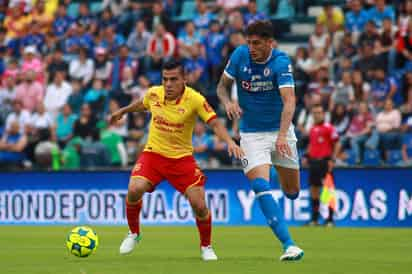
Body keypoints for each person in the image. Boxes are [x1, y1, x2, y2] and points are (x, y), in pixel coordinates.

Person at [109, 60, 243, 261]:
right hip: (153, 155)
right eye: (165, 79)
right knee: (134, 189)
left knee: (199, 204)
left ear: (184, 80)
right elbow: (142, 104)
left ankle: (206, 246)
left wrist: (230, 142)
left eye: (173, 79)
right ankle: (134, 233)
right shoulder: (155, 93)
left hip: (181, 159)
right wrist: (123, 111)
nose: (168, 84)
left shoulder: (195, 99)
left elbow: (214, 123)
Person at [216, 20, 304, 261]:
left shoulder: (281, 62)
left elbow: (289, 101)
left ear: (269, 43)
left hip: (280, 132)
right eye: (249, 43)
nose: (251, 48)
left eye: (256, 43)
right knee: (260, 186)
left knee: (293, 192)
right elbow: (221, 87)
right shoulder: (240, 56)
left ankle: (272, 169)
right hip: (251, 134)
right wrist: (227, 102)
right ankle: (289, 245)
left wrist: (282, 136)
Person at [306, 104, 339, 226]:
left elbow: (337, 143)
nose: (317, 115)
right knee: (313, 190)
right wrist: (307, 156)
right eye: (315, 113)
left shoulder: (329, 128)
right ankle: (314, 219)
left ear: (323, 114)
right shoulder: (312, 129)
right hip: (314, 162)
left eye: (319, 112)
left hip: (325, 162)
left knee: (328, 190)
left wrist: (333, 159)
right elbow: (312, 145)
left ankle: (330, 219)